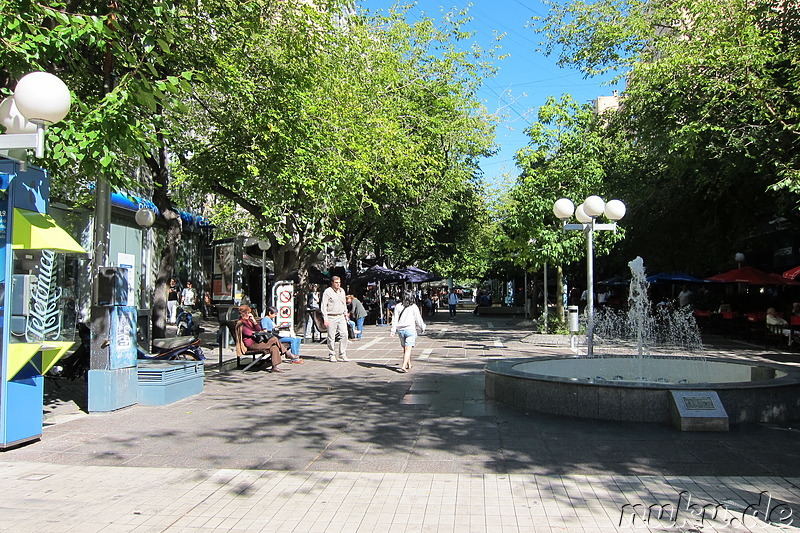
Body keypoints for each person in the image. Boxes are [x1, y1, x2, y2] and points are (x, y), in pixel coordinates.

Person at [238, 305, 292, 373]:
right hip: (251, 344)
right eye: (249, 313)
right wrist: (257, 332)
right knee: (274, 339)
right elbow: (249, 333)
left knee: (274, 347)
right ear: (245, 313)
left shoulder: (249, 321)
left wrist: (254, 321)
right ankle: (286, 353)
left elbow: (259, 329)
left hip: (257, 342)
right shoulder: (241, 323)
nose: (250, 314)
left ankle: (274, 367)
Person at [390, 290, 426, 372]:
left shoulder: (398, 306)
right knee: (408, 348)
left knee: (406, 348)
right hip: (410, 329)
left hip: (401, 330)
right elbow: (418, 319)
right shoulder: (413, 307)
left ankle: (409, 364)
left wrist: (393, 330)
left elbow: (394, 319)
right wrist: (422, 327)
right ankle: (403, 365)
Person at [321, 276, 349, 362]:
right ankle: (332, 354)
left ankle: (342, 354)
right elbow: (323, 306)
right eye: (336, 282)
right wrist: (325, 318)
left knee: (344, 334)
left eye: (339, 282)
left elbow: (344, 303)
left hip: (341, 316)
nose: (338, 284)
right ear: (332, 283)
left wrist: (346, 313)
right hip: (331, 316)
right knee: (331, 336)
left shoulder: (342, 291)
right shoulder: (327, 292)